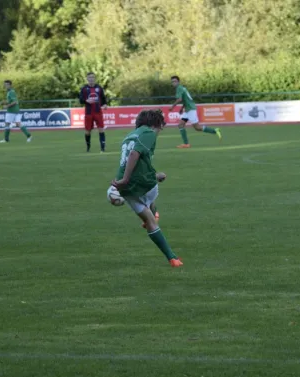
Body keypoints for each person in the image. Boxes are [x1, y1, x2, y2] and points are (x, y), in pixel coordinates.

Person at [112, 110, 183, 268]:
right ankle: (172, 257)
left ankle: (172, 258)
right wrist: (127, 179)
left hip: (125, 188)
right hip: (139, 183)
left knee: (149, 221)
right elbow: (134, 154)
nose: (160, 132)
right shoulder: (148, 132)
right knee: (153, 190)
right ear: (154, 125)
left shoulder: (129, 136)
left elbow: (136, 161)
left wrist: (122, 180)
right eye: (160, 127)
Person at [169, 76, 222, 148]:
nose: (173, 83)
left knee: (197, 128)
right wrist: (182, 108)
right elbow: (186, 99)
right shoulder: (182, 88)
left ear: (178, 82)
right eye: (172, 82)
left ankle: (215, 131)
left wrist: (172, 106)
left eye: (175, 81)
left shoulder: (179, 88)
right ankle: (186, 144)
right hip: (187, 109)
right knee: (181, 125)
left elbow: (179, 99)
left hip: (190, 109)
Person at [79, 72, 108, 152]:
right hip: (88, 113)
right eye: (90, 77)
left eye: (93, 77)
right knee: (88, 131)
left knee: (101, 129)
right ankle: (88, 147)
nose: (91, 79)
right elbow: (80, 100)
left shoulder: (99, 88)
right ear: (87, 79)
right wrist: (86, 100)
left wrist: (105, 104)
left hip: (98, 112)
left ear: (95, 79)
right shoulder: (84, 88)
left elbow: (103, 98)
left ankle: (102, 148)